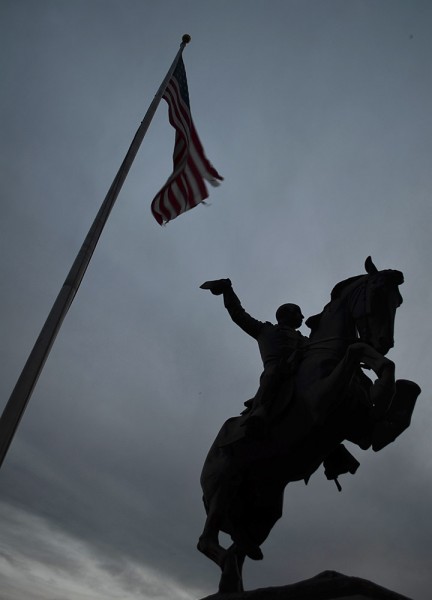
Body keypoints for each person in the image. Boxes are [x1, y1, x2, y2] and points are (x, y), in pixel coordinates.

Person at [200, 278, 307, 436]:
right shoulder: (264, 330)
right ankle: (260, 411)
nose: (303, 317)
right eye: (299, 313)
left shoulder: (304, 339)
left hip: (300, 369)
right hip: (277, 371)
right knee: (272, 373)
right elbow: (238, 314)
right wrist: (227, 290)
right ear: (288, 313)